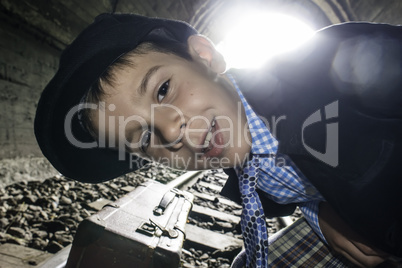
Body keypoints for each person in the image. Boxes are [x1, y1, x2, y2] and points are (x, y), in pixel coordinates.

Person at [34, 13, 402, 267]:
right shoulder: (241, 153)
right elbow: (290, 184)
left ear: (206, 56)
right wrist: (323, 213)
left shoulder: (332, 66)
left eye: (163, 89)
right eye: (144, 136)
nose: (171, 130)